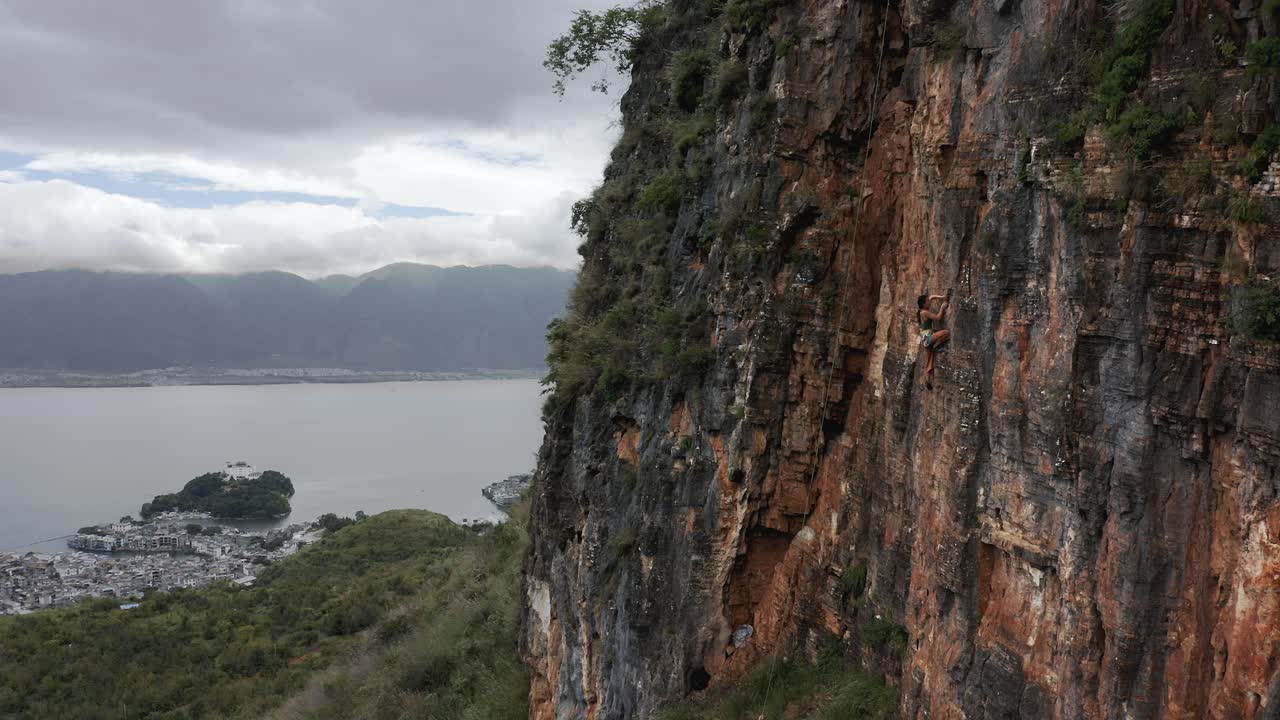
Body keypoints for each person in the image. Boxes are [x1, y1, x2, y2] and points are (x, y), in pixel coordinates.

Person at [917, 292, 950, 390]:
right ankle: (936, 345)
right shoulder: (924, 313)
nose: (929, 302)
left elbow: (931, 297)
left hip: (926, 341)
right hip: (928, 339)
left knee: (929, 361)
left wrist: (942, 297)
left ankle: (927, 380)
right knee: (946, 333)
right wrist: (942, 307)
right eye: (927, 301)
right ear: (924, 304)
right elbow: (938, 318)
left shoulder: (922, 311)